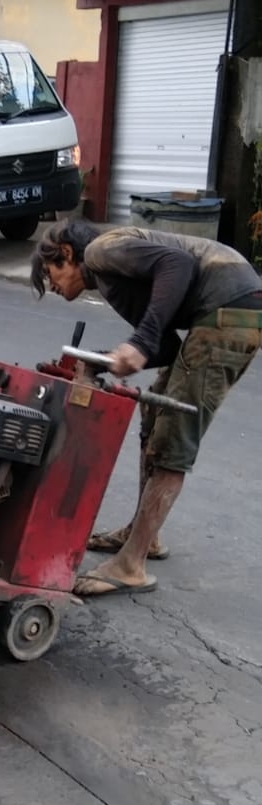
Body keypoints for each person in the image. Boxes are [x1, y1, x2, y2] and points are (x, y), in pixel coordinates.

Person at [31, 219, 262, 598]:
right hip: (219, 311)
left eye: (50, 272)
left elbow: (178, 266)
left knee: (174, 435)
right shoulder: (111, 279)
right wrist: (99, 360)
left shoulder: (101, 251)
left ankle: (131, 565)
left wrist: (139, 340)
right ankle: (145, 537)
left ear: (67, 254)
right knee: (154, 414)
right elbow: (165, 347)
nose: (52, 286)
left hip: (229, 310)